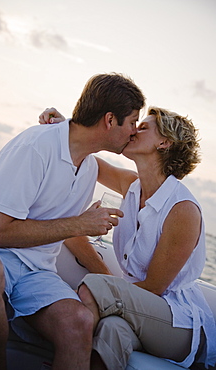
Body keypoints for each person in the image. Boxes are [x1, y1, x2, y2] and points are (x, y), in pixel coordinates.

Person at [0, 73, 145, 370]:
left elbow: (142, 185)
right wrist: (81, 224)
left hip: (37, 271)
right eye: (132, 122)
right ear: (109, 120)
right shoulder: (36, 147)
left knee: (78, 323)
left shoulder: (89, 164)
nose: (134, 132)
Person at [41, 106, 216, 370]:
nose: (133, 130)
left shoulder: (182, 209)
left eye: (143, 127)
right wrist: (64, 127)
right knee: (112, 330)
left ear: (164, 142)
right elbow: (91, 161)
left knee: (94, 285)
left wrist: (104, 283)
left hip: (180, 326)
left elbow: (155, 288)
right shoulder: (132, 187)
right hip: (138, 310)